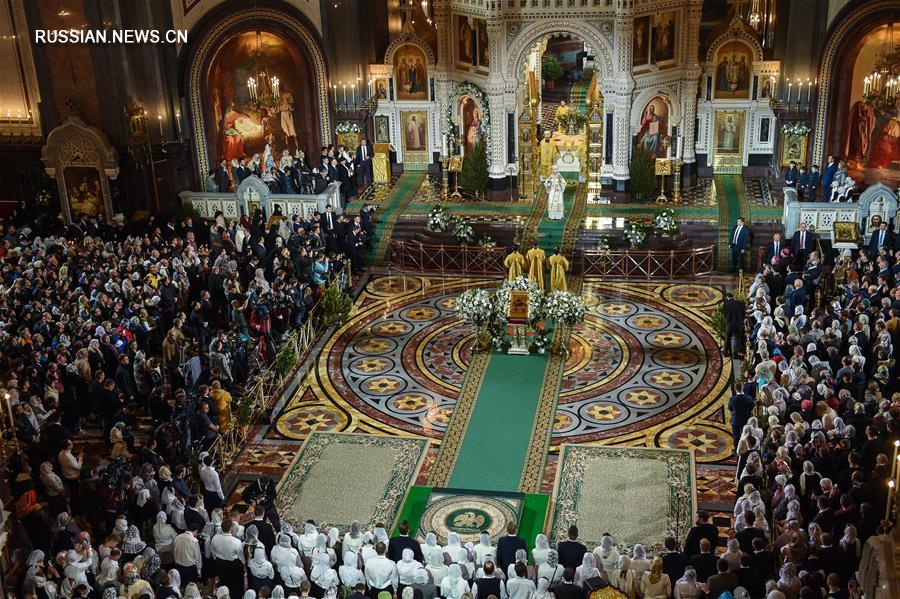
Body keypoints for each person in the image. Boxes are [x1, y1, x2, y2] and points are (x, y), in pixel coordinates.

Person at [728, 382, 755, 449]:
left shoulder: (732, 399)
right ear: (742, 387)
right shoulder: (749, 398)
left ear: (735, 389)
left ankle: (737, 450)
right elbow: (752, 406)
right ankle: (747, 447)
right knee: (747, 435)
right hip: (746, 419)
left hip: (735, 420)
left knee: (736, 436)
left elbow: (730, 408)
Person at [723, 292, 745, 358]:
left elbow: (724, 314)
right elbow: (743, 313)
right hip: (738, 324)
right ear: (733, 297)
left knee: (727, 338)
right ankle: (734, 354)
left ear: (727, 297)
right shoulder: (739, 303)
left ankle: (725, 353)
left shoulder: (726, 304)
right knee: (737, 339)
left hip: (729, 324)